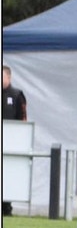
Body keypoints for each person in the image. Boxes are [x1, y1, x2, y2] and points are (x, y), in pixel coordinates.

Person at [2, 65, 28, 217]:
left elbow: (23, 119)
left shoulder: (17, 95)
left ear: (8, 77)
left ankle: (6, 207)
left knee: (8, 174)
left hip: (10, 143)